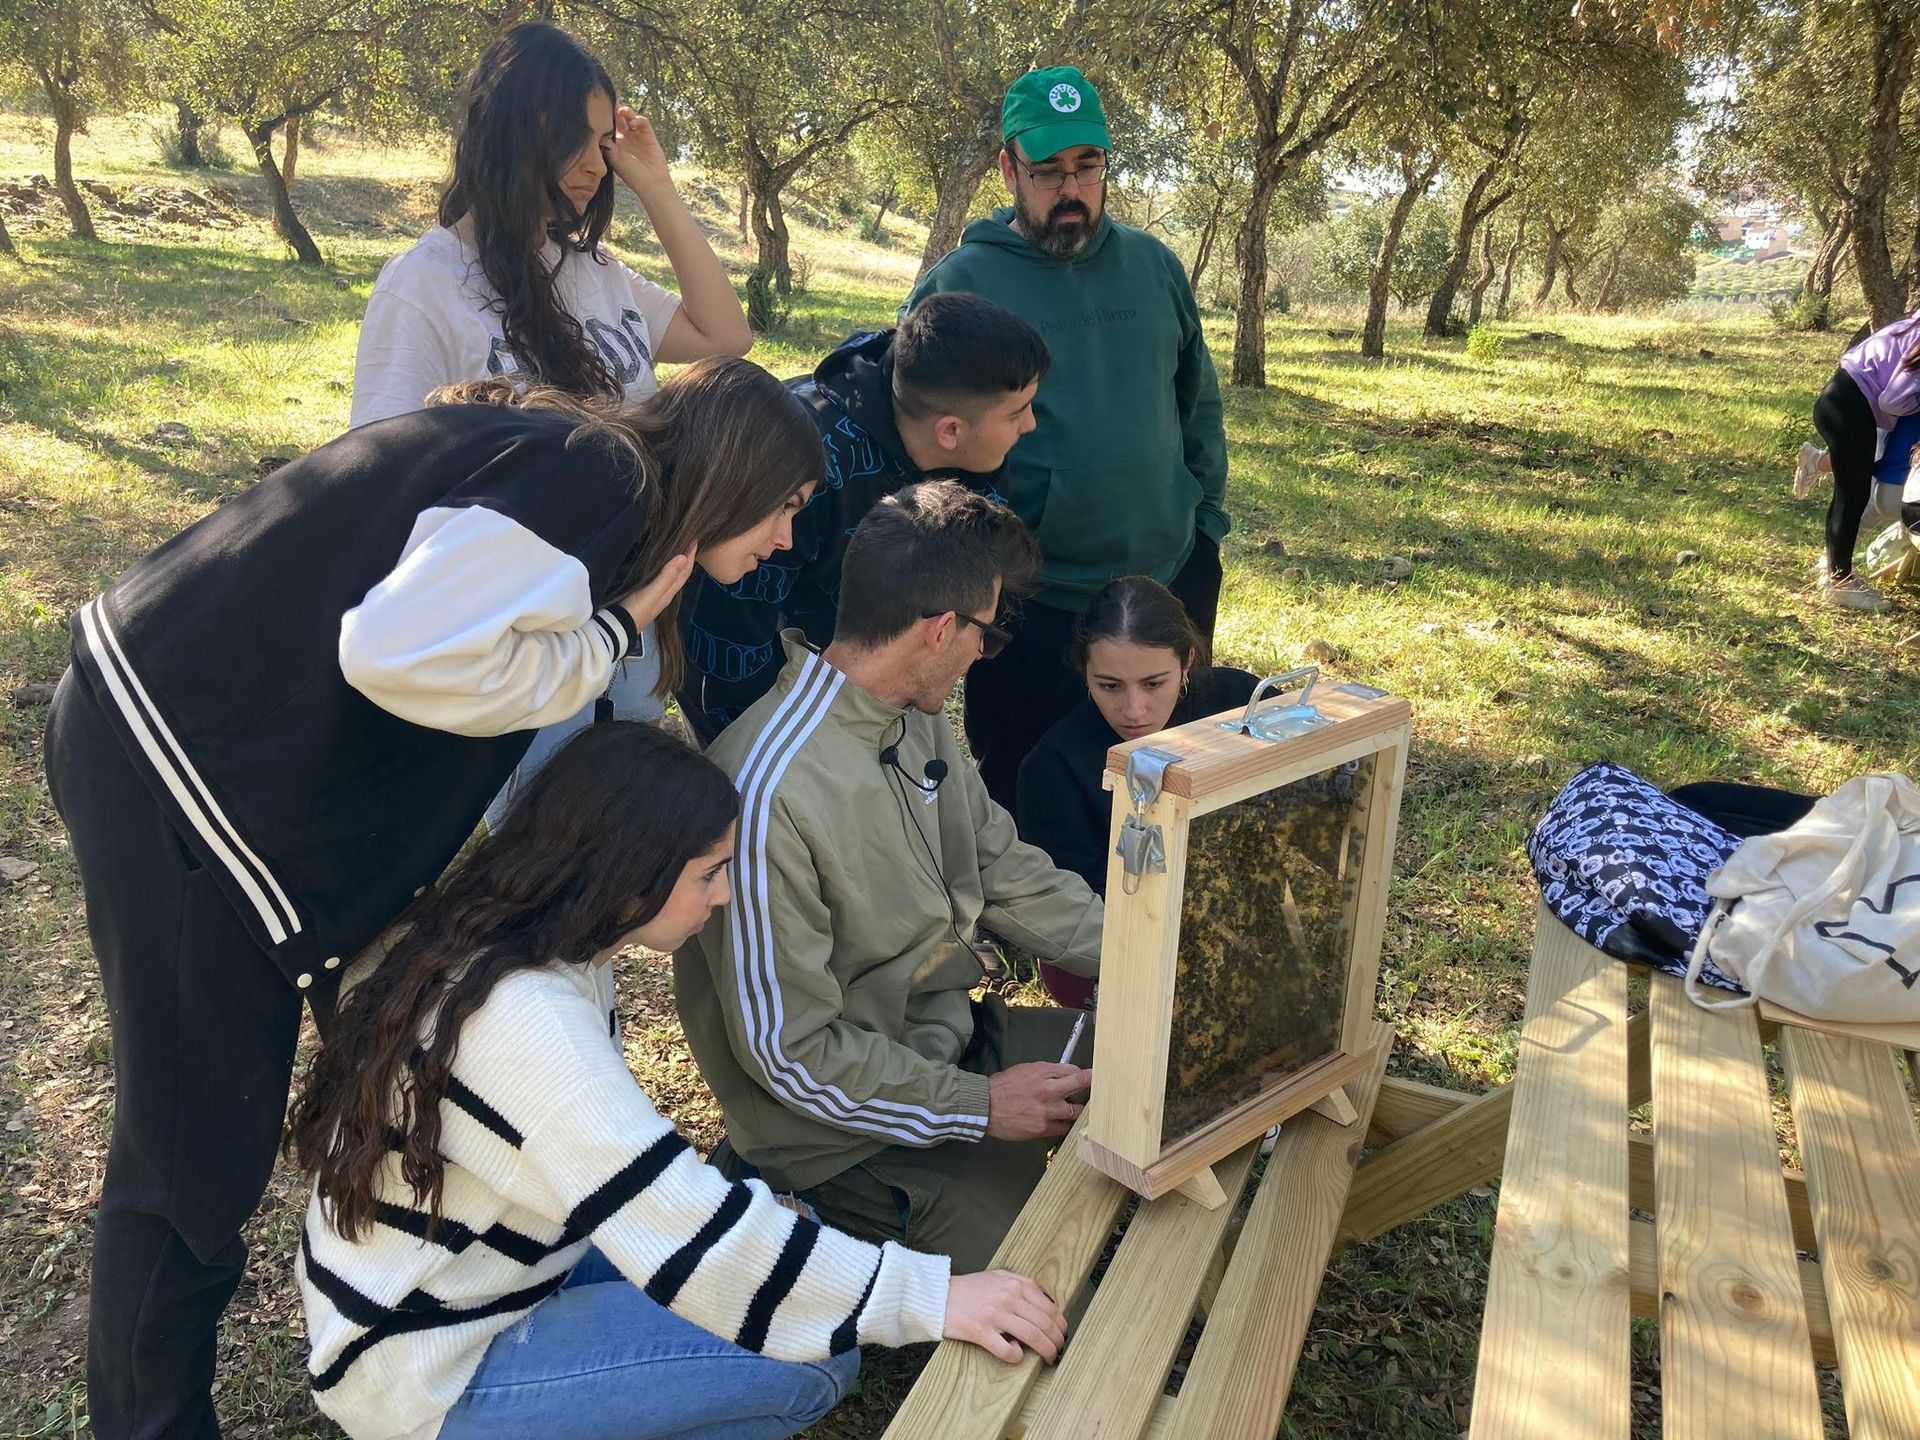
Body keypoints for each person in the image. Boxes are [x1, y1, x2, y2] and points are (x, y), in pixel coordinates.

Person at [43, 356, 817, 1440]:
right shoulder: (603, 480)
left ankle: (439, 1296)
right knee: (190, 1171)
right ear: (737, 473)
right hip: (181, 778)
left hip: (199, 770)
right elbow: (397, 649)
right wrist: (605, 642)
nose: (786, 538)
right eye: (786, 506)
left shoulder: (583, 475)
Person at [288, 721, 1068, 1440]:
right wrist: (935, 1297)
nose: (725, 896)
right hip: (429, 1363)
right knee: (816, 1362)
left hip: (469, 1276)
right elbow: (684, 1230)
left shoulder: (517, 942)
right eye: (711, 873)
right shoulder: (524, 1020)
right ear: (632, 876)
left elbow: (634, 1188)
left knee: (790, 1263)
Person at [673, 482, 1103, 1274]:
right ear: (942, 629)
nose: (985, 651)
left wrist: (1153, 947)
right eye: (988, 632)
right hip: (837, 1140)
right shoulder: (771, 795)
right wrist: (981, 1108)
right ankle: (778, 1202)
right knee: (1047, 1278)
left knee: (1157, 1074)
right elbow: (790, 1056)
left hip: (948, 1051)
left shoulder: (915, 713)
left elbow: (1004, 868)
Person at [350, 21, 752, 759]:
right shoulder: (425, 286)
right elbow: (380, 485)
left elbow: (727, 339)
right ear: (509, 128)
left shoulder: (595, 271)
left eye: (603, 142)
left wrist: (656, 186)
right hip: (523, 658)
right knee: (541, 859)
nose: (595, 164)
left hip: (632, 637)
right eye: (575, 137)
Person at [904, 66, 1231, 811]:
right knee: (1027, 783)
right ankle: (1032, 924)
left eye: (1088, 167)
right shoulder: (963, 283)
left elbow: (1196, 402)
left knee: (1164, 767)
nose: (1071, 189)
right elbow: (921, 451)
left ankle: (1143, 913)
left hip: (1169, 574)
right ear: (1009, 168)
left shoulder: (1152, 266)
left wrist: (1206, 524)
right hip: (1030, 596)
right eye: (1047, 171)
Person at [675, 292, 1050, 743]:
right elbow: (725, 637)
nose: (1030, 425)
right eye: (1016, 413)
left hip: (875, 695)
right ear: (949, 430)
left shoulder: (978, 448)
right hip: (762, 696)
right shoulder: (804, 466)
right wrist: (755, 754)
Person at [1016, 577, 1259, 1009]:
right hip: (1116, 950)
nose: (1134, 710)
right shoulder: (1052, 767)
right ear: (1084, 672)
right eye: (1109, 686)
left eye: (1153, 683)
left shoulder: (1241, 703)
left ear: (1187, 661)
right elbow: (1078, 908)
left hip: (1247, 918)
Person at [1800, 312, 1920, 610]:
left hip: (1845, 400)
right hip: (1850, 406)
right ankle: (1840, 583)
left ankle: (1836, 573)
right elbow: (1892, 401)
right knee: (1852, 497)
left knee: (1854, 491)